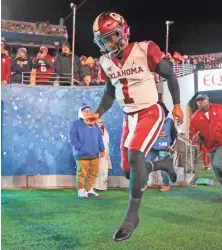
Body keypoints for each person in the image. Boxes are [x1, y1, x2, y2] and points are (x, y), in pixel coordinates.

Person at [87, 12, 184, 242]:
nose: (107, 45)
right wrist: (97, 113)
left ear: (123, 31)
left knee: (134, 155)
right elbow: (110, 93)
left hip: (150, 110)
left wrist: (177, 104)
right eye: (102, 41)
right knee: (131, 172)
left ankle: (132, 216)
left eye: (110, 38)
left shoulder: (144, 49)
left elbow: (170, 74)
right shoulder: (105, 62)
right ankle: (162, 163)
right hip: (128, 117)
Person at [69, 104, 105, 198]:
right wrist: (80, 148)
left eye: (89, 111)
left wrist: (102, 149)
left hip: (94, 154)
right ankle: (81, 191)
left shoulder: (95, 124)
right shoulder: (76, 124)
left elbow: (99, 137)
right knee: (82, 174)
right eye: (85, 111)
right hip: (82, 154)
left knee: (93, 173)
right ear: (81, 112)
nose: (87, 113)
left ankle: (89, 190)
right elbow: (72, 138)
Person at [146, 101, 178, 191]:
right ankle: (144, 183)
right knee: (145, 164)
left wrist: (172, 145)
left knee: (164, 167)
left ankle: (166, 184)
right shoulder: (151, 121)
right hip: (152, 149)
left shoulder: (169, 121)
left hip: (164, 149)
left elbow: (174, 136)